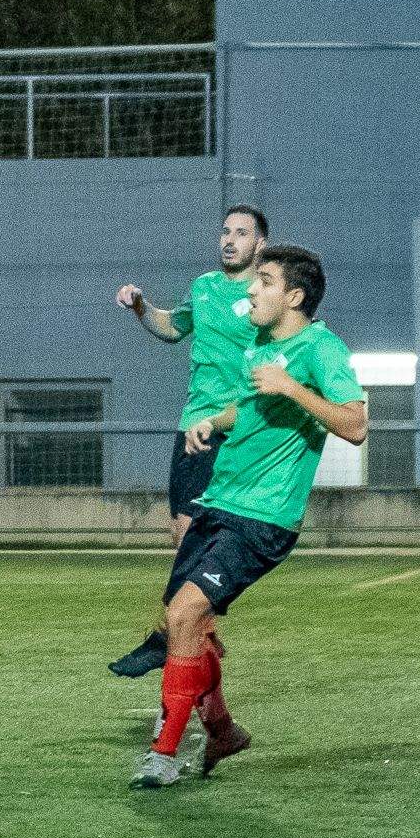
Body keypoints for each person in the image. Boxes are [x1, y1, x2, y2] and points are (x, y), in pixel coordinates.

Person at [131, 244, 365, 788]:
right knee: (182, 622)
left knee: (187, 615)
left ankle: (163, 757)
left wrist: (293, 388)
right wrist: (215, 421)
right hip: (219, 501)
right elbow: (254, 409)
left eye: (263, 282)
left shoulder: (321, 348)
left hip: (263, 517)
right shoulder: (259, 343)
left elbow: (354, 425)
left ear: (294, 297)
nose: (252, 291)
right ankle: (222, 730)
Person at [108, 205, 270, 678]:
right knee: (183, 536)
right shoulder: (203, 288)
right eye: (225, 231)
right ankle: (195, 637)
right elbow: (172, 327)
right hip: (193, 427)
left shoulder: (266, 294)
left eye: (241, 233)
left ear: (259, 243)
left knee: (205, 540)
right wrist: (142, 308)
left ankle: (171, 632)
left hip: (239, 429)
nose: (229, 239)